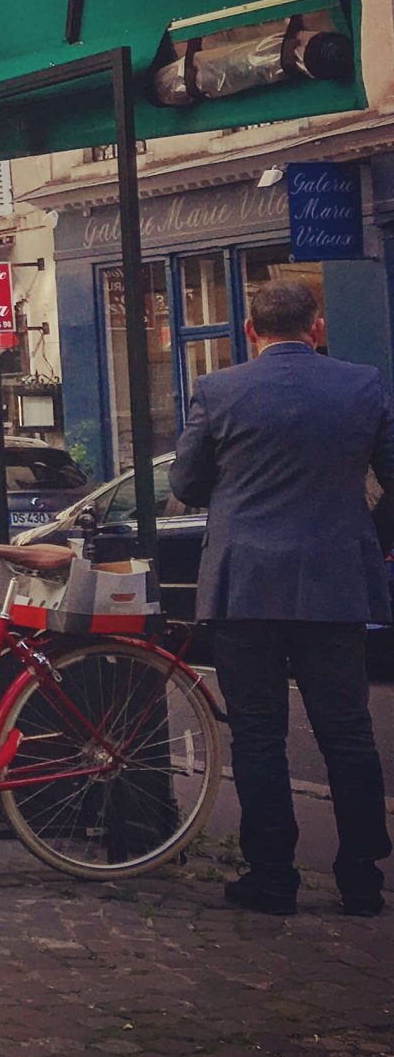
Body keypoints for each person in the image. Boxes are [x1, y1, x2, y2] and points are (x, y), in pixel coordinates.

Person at [170, 276, 394, 916]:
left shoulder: (219, 390)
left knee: (259, 734)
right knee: (348, 732)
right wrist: (366, 542)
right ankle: (361, 879)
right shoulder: (363, 384)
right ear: (316, 327)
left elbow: (186, 484)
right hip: (334, 581)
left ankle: (271, 877)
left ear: (250, 330)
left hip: (246, 586)